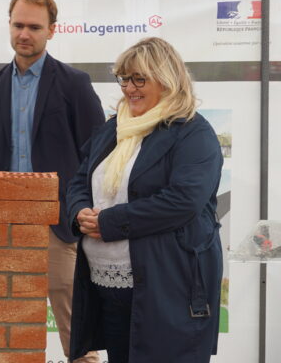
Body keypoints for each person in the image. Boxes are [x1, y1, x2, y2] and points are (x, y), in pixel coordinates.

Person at [67, 37, 223, 363]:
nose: (129, 88)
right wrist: (79, 210)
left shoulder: (193, 132)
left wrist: (109, 222)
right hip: (107, 285)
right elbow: (81, 178)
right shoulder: (115, 127)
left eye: (140, 78)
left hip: (167, 287)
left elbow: (183, 200)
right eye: (124, 78)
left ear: (166, 80)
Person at [0, 0, 104, 363]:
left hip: (57, 225)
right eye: (18, 25)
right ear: (9, 26)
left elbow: (96, 154)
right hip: (3, 225)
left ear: (52, 30)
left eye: (34, 26)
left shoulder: (73, 84)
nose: (24, 34)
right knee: (7, 328)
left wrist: (79, 211)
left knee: (75, 333)